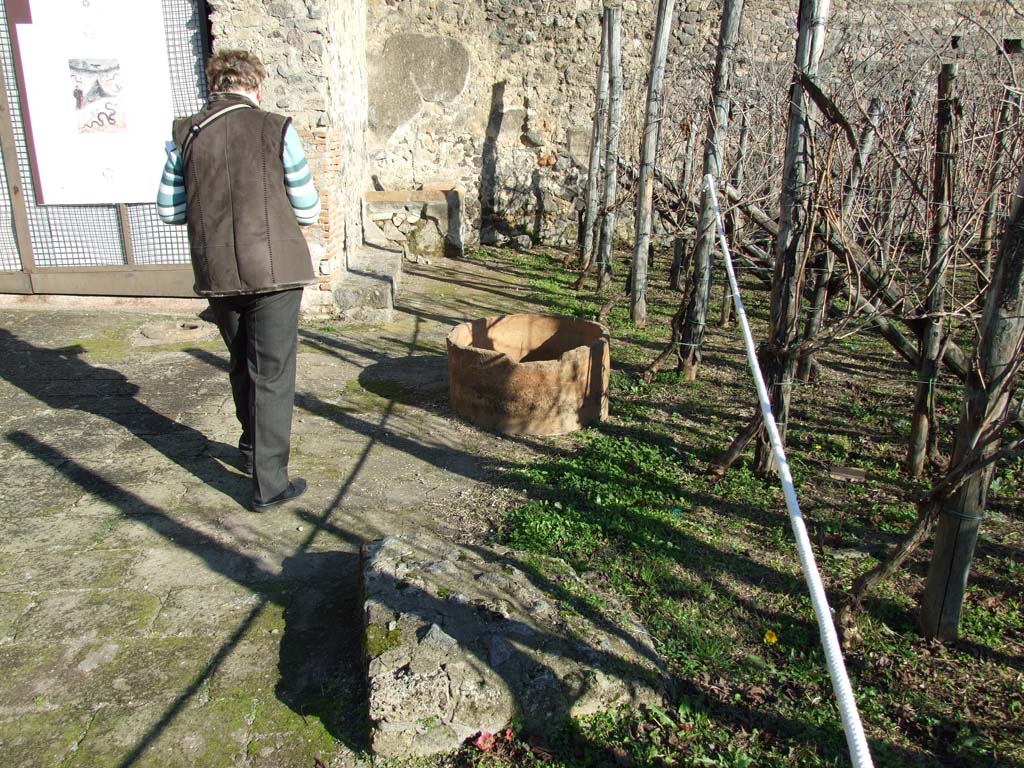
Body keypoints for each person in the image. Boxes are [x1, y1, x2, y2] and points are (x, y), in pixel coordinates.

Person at [157, 49, 320, 512]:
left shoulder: (184, 134)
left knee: (240, 362)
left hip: (219, 273)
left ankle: (250, 451)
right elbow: (308, 207)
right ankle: (269, 486)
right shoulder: (277, 128)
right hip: (276, 271)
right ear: (257, 87)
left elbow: (169, 210)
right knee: (272, 373)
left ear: (214, 86)